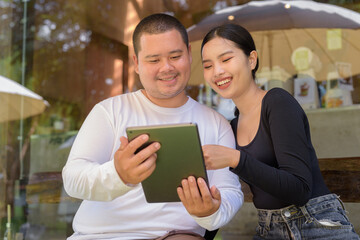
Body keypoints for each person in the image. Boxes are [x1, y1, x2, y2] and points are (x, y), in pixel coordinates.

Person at [62, 14, 243, 240]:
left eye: (175, 56)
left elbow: (230, 193)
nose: (166, 67)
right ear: (136, 63)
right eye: (153, 60)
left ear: (188, 53)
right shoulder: (109, 111)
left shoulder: (217, 124)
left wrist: (210, 212)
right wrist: (118, 175)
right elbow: (72, 179)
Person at [200, 23, 360, 240]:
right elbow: (223, 192)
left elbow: (299, 190)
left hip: (316, 224)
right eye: (208, 65)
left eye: (226, 59)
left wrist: (235, 158)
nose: (217, 71)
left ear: (252, 59)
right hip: (269, 229)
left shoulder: (277, 102)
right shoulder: (232, 127)